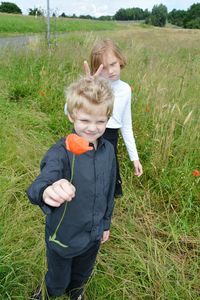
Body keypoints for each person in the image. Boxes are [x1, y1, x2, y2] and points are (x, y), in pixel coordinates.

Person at [27, 76, 116, 300]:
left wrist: (105, 224)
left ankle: (76, 294)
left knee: (81, 276)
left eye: (100, 121)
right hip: (63, 236)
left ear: (107, 118)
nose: (93, 128)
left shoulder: (108, 150)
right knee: (58, 280)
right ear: (71, 115)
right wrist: (47, 191)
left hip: (93, 234)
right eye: (85, 120)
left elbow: (109, 191)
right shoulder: (61, 152)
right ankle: (45, 295)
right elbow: (40, 184)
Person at [84, 38, 143, 197]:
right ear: (96, 69)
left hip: (110, 139)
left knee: (106, 182)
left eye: (113, 64)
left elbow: (126, 125)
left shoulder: (125, 90)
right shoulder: (93, 86)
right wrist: (87, 87)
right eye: (103, 68)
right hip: (87, 135)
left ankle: (103, 214)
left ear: (120, 61)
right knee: (84, 178)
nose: (110, 71)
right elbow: (68, 110)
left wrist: (135, 158)